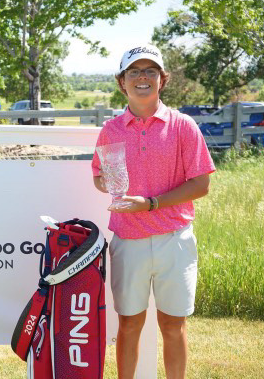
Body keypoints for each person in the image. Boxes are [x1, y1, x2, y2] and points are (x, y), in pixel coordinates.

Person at [91, 43, 216, 379]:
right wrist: (109, 184)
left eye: (150, 71)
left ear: (163, 79)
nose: (142, 77)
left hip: (174, 239)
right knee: (129, 324)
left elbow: (201, 184)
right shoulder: (111, 130)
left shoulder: (183, 126)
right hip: (128, 240)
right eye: (134, 71)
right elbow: (100, 176)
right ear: (122, 82)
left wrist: (150, 203)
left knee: (173, 325)